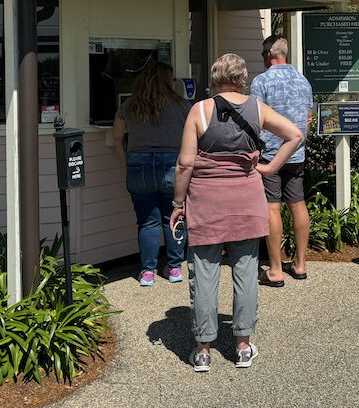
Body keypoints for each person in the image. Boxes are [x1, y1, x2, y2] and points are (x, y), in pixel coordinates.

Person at [170, 53, 302, 372]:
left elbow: (185, 164)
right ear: (242, 77)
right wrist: (269, 167)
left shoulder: (199, 110)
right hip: (247, 200)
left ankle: (203, 350)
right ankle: (242, 346)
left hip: (206, 202)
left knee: (203, 274)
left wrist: (177, 204)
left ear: (215, 77)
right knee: (245, 273)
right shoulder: (257, 108)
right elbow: (295, 135)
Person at [113, 61, 190, 286]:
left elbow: (117, 138)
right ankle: (174, 268)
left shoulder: (129, 105)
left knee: (147, 222)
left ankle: (148, 272)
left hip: (139, 165)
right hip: (172, 165)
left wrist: (127, 162)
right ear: (169, 80)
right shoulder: (182, 105)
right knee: (173, 218)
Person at [250, 36, 314, 286]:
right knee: (298, 204)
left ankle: (275, 270)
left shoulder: (261, 81)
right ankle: (300, 264)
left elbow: (254, 119)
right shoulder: (303, 79)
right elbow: (308, 118)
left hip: (269, 156)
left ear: (268, 54)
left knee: (272, 207)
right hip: (296, 153)